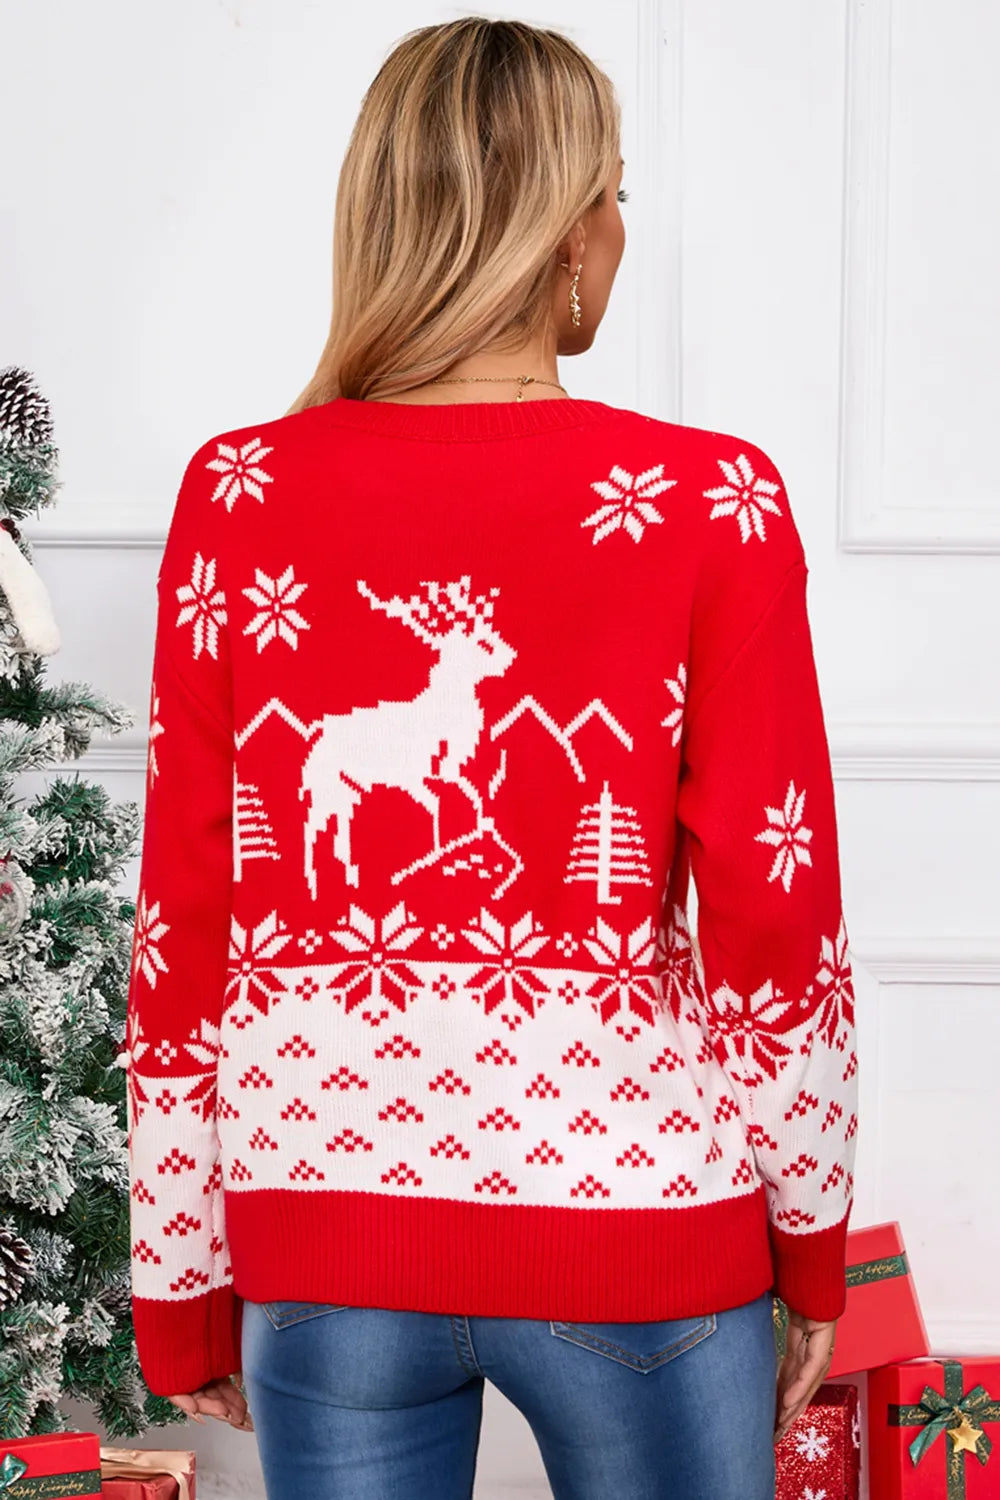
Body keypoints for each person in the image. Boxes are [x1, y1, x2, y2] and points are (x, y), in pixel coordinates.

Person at [125, 16, 857, 1500]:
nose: (622, 230)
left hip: (326, 1241)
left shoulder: (239, 492)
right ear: (568, 232)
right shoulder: (710, 501)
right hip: (640, 1232)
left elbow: (186, 916)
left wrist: (181, 1281)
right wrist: (811, 1244)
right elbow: (774, 911)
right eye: (616, 195)